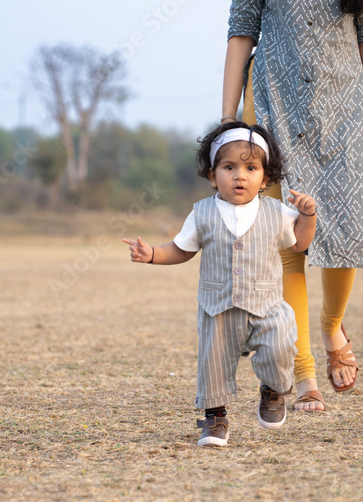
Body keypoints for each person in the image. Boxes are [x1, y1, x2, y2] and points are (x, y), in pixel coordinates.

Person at [221, 0, 363, 412]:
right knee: (288, 247)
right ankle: (304, 378)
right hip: (272, 110)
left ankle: (331, 326)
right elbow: (241, 28)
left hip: (342, 112)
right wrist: (229, 119)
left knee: (342, 237)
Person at [122, 122, 317, 447]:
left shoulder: (276, 212)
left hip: (267, 306)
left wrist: (308, 215)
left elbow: (298, 243)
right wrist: (152, 253)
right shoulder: (202, 214)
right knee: (213, 363)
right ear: (212, 175)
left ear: (265, 177)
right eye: (229, 167)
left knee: (282, 344)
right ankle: (215, 418)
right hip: (218, 309)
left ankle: (273, 389)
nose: (240, 175)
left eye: (251, 167)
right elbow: (181, 249)